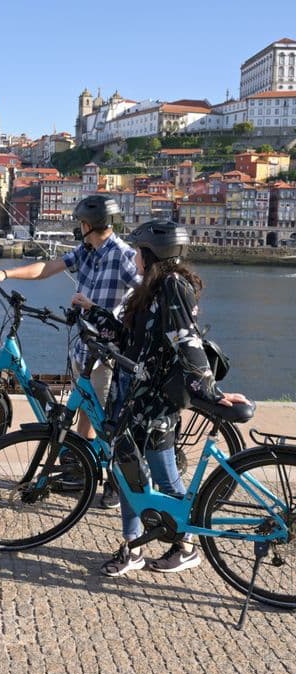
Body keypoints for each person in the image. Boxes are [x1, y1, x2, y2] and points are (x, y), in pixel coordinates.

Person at [81, 220, 250, 576]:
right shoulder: (152, 287)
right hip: (133, 398)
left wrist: (209, 391)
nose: (134, 257)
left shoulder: (173, 286)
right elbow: (132, 340)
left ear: (149, 253)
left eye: (138, 250)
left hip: (155, 403)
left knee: (162, 474)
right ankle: (132, 548)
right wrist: (92, 312)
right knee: (127, 473)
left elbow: (186, 341)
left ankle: (185, 546)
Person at [0, 194, 140, 507]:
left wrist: (104, 312)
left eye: (79, 223)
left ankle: (117, 478)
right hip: (83, 344)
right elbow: (47, 268)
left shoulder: (122, 255)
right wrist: (5, 274)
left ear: (87, 224)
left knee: (104, 416)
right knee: (86, 405)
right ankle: (79, 468)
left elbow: (146, 292)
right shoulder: (87, 251)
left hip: (106, 349)